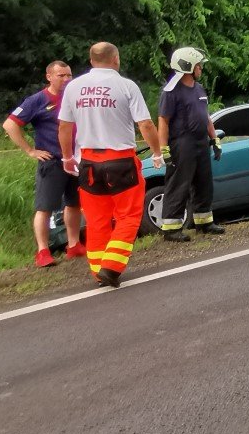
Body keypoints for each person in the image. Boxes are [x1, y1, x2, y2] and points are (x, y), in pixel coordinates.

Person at [58, 42, 165, 287]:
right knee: (128, 216)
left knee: (96, 220)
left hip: (88, 162)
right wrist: (157, 152)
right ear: (115, 59)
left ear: (91, 60)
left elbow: (64, 126)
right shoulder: (125, 86)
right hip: (121, 161)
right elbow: (145, 125)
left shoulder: (74, 87)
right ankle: (112, 266)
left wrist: (67, 157)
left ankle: (98, 270)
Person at [4, 60, 86, 268]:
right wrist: (30, 150)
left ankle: (74, 244)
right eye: (61, 75)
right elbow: (10, 124)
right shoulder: (38, 100)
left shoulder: (76, 96)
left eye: (69, 75)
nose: (67, 79)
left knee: (74, 203)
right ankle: (42, 251)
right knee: (45, 207)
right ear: (49, 76)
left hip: (76, 159)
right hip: (52, 161)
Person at [156, 47, 223, 242]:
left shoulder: (199, 88)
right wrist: (164, 149)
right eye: (198, 65)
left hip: (201, 141)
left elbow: (206, 116)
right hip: (182, 143)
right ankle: (171, 228)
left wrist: (214, 139)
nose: (201, 68)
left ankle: (204, 222)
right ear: (187, 66)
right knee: (179, 184)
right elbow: (163, 121)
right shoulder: (171, 92)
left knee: (204, 182)